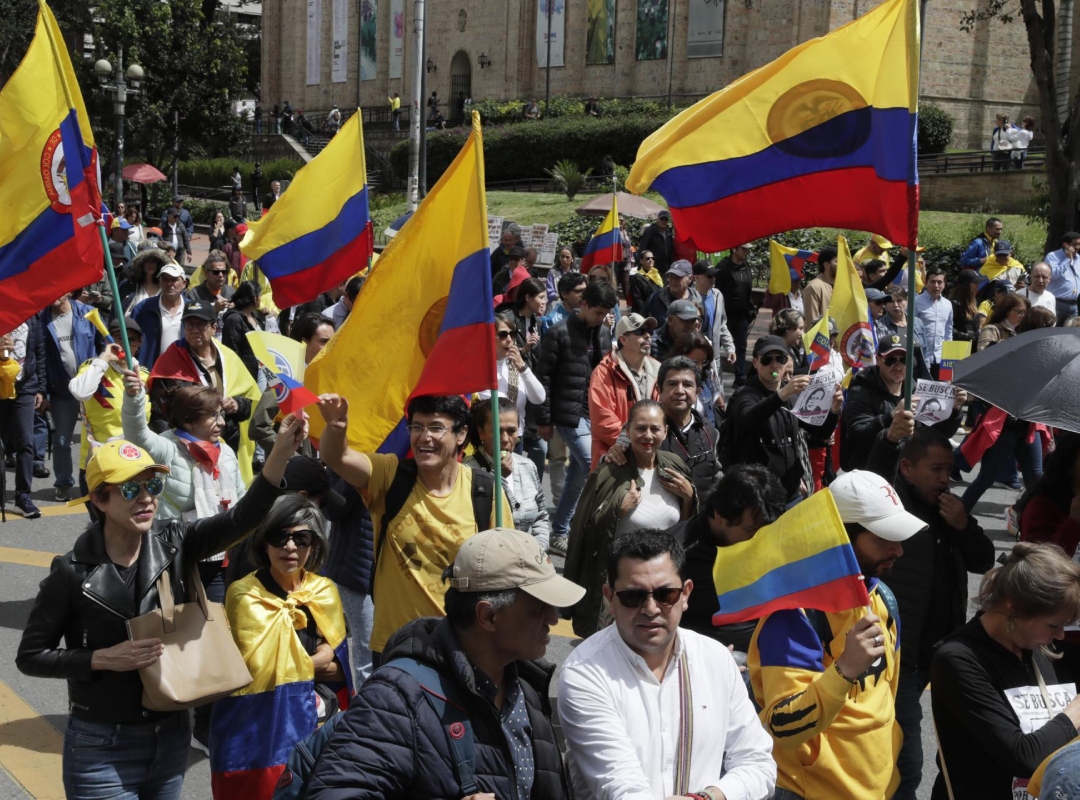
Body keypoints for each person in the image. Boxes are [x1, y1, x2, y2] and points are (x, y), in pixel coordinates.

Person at [15, 414, 302, 800]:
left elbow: (242, 518)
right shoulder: (70, 572)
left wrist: (280, 452)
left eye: (152, 485)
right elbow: (31, 656)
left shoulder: (176, 541)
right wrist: (101, 658)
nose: (148, 497)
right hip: (101, 747)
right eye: (131, 490)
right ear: (100, 499)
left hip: (170, 740)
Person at [306, 527, 581, 799]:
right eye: (537, 609)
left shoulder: (525, 687)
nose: (554, 619)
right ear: (488, 616)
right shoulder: (396, 698)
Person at [559, 528, 777, 799]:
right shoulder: (585, 674)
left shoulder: (715, 660)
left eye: (666, 595)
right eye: (633, 597)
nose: (651, 609)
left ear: (685, 594)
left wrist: (709, 797)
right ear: (610, 598)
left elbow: (758, 764)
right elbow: (620, 787)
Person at [750, 470, 928, 800]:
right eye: (883, 539)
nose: (899, 550)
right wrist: (845, 669)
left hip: (878, 789)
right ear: (840, 538)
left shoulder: (883, 597)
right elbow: (783, 726)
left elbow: (888, 694)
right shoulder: (793, 616)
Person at [316, 393, 511, 659]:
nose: (424, 437)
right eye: (417, 427)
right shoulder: (390, 475)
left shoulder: (485, 492)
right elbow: (337, 458)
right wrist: (336, 427)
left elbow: (505, 571)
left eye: (436, 427)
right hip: (395, 647)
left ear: (461, 434)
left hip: (460, 646)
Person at [864, 425, 996, 800]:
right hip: (901, 653)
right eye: (935, 469)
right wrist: (888, 437)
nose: (944, 479)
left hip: (942, 648)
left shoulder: (948, 508)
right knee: (906, 761)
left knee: (953, 749)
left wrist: (964, 525)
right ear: (907, 469)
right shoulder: (890, 509)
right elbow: (873, 470)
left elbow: (983, 560)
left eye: (948, 470)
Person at [209, 494, 351, 798]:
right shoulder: (244, 594)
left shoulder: (323, 591)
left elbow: (341, 668)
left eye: (302, 538)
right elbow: (257, 669)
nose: (290, 547)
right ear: (263, 542)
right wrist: (315, 662)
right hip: (259, 730)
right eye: (279, 537)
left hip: (320, 724)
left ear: (314, 545)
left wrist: (326, 657)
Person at [930, 542, 1080, 800]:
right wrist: (1073, 717)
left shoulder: (1042, 645)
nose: (1061, 634)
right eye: (1054, 625)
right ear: (1014, 607)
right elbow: (1023, 757)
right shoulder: (959, 659)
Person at [565, 401, 696, 637]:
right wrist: (618, 510)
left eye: (655, 429)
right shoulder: (609, 471)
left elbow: (687, 528)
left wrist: (689, 498)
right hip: (625, 589)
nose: (648, 435)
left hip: (665, 587)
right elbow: (584, 530)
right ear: (628, 431)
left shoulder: (674, 467)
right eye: (640, 428)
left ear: (665, 431)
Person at [537, 278, 617, 556]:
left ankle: (560, 531)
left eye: (605, 314)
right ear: (583, 304)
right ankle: (593, 530)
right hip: (568, 415)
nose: (600, 319)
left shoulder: (604, 333)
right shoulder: (559, 332)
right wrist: (544, 419)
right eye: (597, 312)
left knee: (578, 476)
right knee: (594, 467)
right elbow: (543, 378)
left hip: (595, 414)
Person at [671, 464, 787, 654]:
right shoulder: (675, 554)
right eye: (751, 530)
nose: (760, 539)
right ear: (719, 515)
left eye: (766, 530)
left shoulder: (764, 538)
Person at [147, 302, 260, 482]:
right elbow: (160, 414)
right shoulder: (171, 360)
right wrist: (174, 447)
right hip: (188, 452)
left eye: (201, 324)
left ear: (214, 327)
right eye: (189, 324)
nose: (194, 330)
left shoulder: (228, 357)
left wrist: (237, 405)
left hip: (227, 444)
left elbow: (251, 400)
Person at [727, 335, 842, 503]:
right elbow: (748, 419)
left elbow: (820, 432)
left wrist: (833, 410)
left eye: (780, 358)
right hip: (758, 497)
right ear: (756, 363)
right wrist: (781, 395)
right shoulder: (746, 394)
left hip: (791, 494)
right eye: (767, 359)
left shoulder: (791, 397)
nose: (774, 364)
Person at [842, 334, 965, 472]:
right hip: (870, 472)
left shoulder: (914, 389)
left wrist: (954, 408)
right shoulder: (861, 390)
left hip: (906, 472)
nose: (898, 366)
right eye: (890, 360)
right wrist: (892, 416)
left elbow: (939, 434)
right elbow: (856, 436)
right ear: (878, 360)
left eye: (904, 360)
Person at [463, 396, 550, 551]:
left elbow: (541, 515)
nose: (504, 439)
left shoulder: (527, 466)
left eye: (511, 431)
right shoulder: (467, 471)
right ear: (481, 432)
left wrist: (539, 551)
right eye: (497, 431)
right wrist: (498, 478)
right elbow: (472, 526)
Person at [41, 293, 101, 502]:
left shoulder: (86, 312)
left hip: (91, 386)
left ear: (67, 290)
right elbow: (41, 357)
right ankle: (64, 483)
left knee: (98, 438)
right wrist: (45, 392)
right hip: (61, 390)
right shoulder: (43, 319)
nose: (53, 296)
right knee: (63, 440)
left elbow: (103, 344)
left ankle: (97, 481)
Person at [589, 313, 660, 467]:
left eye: (649, 331)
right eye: (640, 332)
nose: (647, 336)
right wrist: (636, 440)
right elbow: (602, 421)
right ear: (623, 339)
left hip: (651, 456)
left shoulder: (658, 370)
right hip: (615, 459)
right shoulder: (604, 372)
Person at [0, 317, 47, 518]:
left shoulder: (33, 318)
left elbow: (39, 353)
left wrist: (41, 389)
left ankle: (23, 496)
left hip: (26, 386)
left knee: (26, 442)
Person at [715, 243, 758, 385]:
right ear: (734, 249)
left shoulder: (746, 267)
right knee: (717, 344)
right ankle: (711, 374)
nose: (746, 252)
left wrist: (751, 308)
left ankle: (740, 378)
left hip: (742, 315)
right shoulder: (723, 267)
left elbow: (747, 289)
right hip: (725, 315)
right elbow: (717, 289)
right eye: (744, 249)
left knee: (741, 346)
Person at [131, 263, 187, 369]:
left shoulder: (191, 309)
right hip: (150, 373)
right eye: (165, 279)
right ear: (160, 283)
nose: (169, 283)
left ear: (183, 283)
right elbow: (130, 341)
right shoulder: (143, 308)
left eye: (174, 279)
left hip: (183, 374)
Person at [669, 331, 725, 425]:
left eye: (703, 362)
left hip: (707, 437)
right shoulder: (668, 380)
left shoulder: (706, 378)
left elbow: (718, 402)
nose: (699, 367)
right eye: (694, 361)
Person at [692, 259, 736, 376]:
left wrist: (730, 348)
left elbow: (722, 325)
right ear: (696, 278)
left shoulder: (717, 295)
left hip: (714, 356)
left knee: (717, 392)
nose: (713, 279)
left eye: (714, 275)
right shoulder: (689, 298)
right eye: (709, 276)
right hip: (695, 357)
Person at [915, 267, 953, 377]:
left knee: (942, 392)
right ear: (926, 283)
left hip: (942, 359)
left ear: (944, 284)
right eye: (932, 282)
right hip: (921, 358)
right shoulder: (915, 302)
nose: (936, 286)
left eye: (939, 282)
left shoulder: (948, 304)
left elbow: (948, 332)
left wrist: (949, 358)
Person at [645, 259, 700, 328]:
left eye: (678, 277)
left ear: (690, 278)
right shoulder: (656, 298)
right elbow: (644, 323)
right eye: (671, 276)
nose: (673, 281)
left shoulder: (698, 299)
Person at [1045, 230, 1080, 325]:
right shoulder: (1052, 257)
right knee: (1054, 330)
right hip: (1057, 304)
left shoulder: (1079, 258)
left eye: (1079, 244)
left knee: (1072, 333)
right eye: (1075, 244)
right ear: (1065, 244)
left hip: (1074, 305)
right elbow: (1052, 275)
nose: (1077, 247)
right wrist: (1067, 259)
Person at [541, 270, 587, 335]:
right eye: (578, 291)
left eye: (585, 290)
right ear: (564, 294)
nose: (583, 295)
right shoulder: (553, 320)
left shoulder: (588, 314)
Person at [803, 245, 838, 323]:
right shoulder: (814, 287)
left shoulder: (842, 286)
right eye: (837, 262)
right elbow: (812, 321)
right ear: (826, 265)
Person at [637, 210, 675, 275]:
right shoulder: (650, 231)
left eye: (666, 219)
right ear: (657, 219)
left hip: (665, 269)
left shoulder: (668, 234)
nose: (663, 221)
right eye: (662, 219)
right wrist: (640, 265)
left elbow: (670, 252)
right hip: (651, 268)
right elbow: (643, 248)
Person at [949, 269, 981, 344]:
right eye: (975, 283)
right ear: (966, 285)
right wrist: (969, 336)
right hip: (959, 349)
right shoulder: (954, 304)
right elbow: (949, 329)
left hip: (973, 348)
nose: (977, 286)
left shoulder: (975, 302)